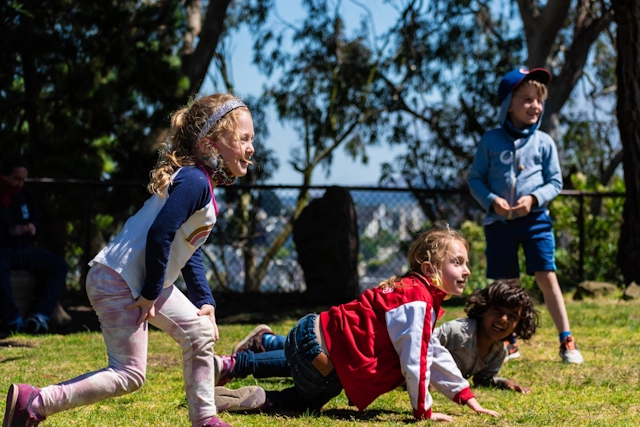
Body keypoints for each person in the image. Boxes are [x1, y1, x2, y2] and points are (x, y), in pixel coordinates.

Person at [3, 93, 255, 427]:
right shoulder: (194, 181)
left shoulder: (197, 181)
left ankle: (205, 419)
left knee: (199, 331)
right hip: (121, 280)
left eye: (252, 138)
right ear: (210, 144)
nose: (251, 147)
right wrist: (150, 293)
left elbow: (185, 246)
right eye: (244, 139)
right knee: (129, 373)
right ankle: (33, 403)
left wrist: (204, 299)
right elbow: (160, 235)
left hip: (134, 278)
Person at [216, 226, 501, 422]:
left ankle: (233, 364)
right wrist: (422, 411)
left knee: (303, 360)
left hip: (307, 331)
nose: (467, 270)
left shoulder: (409, 289)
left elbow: (432, 351)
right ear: (430, 269)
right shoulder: (419, 301)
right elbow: (416, 361)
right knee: (308, 400)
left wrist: (466, 397)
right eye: (458, 262)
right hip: (321, 363)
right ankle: (266, 399)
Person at [467, 67, 584, 364]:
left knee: (547, 276)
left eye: (539, 100)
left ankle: (566, 340)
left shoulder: (544, 142)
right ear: (508, 104)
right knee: (508, 285)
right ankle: (509, 341)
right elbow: (475, 179)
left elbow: (555, 182)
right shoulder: (490, 141)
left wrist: (533, 199)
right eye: (527, 99)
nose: (535, 106)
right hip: (499, 224)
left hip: (536, 221)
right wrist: (493, 202)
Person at [0, 155, 69, 334]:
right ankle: (12, 318)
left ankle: (40, 315)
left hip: (24, 249)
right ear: (4, 176)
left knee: (58, 265)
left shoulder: (25, 194)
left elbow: (38, 221)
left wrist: (33, 228)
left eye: (23, 179)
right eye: (16, 179)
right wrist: (8, 231)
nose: (20, 183)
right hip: (3, 250)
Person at [434, 279, 539, 394]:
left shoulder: (498, 352)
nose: (503, 319)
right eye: (497, 310)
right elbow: (419, 345)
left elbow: (483, 380)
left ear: (518, 325)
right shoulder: (456, 332)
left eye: (512, 316)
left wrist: (505, 383)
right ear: (484, 308)